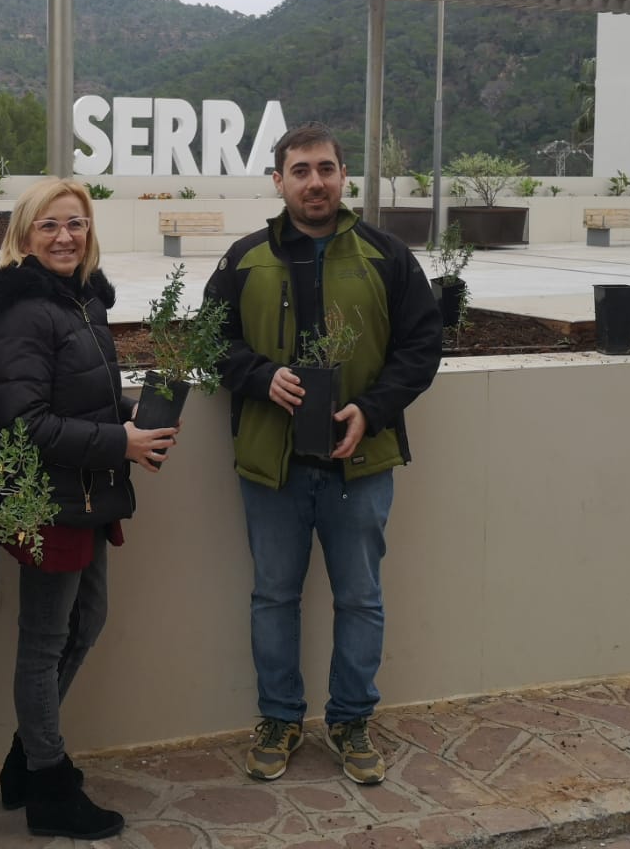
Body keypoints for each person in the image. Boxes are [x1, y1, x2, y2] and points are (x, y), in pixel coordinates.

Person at [203, 122, 442, 787]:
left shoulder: (386, 256)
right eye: (301, 170)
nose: (315, 182)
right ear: (278, 181)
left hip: (358, 463)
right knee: (273, 597)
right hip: (271, 466)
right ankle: (279, 719)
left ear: (344, 177)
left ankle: (351, 720)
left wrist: (373, 408)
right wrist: (258, 375)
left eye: (326, 169)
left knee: (361, 598)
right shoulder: (244, 259)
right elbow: (209, 341)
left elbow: (422, 346)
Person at [0, 179, 176, 840]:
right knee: (45, 642)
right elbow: (29, 423)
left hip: (85, 492)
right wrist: (120, 441)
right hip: (48, 500)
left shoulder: (79, 303)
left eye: (75, 224)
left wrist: (133, 415)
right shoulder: (24, 313)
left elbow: (76, 396)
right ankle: (47, 785)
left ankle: (28, 760)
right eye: (49, 226)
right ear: (22, 234)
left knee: (87, 621)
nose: (64, 236)